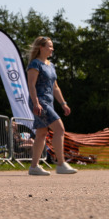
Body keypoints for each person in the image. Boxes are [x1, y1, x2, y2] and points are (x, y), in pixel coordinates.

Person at [26, 36, 77, 176]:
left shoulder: (51, 65)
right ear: (41, 47)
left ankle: (34, 167)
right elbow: (31, 85)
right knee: (60, 128)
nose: (52, 49)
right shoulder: (35, 64)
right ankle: (60, 164)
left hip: (49, 102)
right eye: (49, 46)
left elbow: (55, 87)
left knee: (42, 133)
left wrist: (63, 103)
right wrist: (36, 102)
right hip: (40, 101)